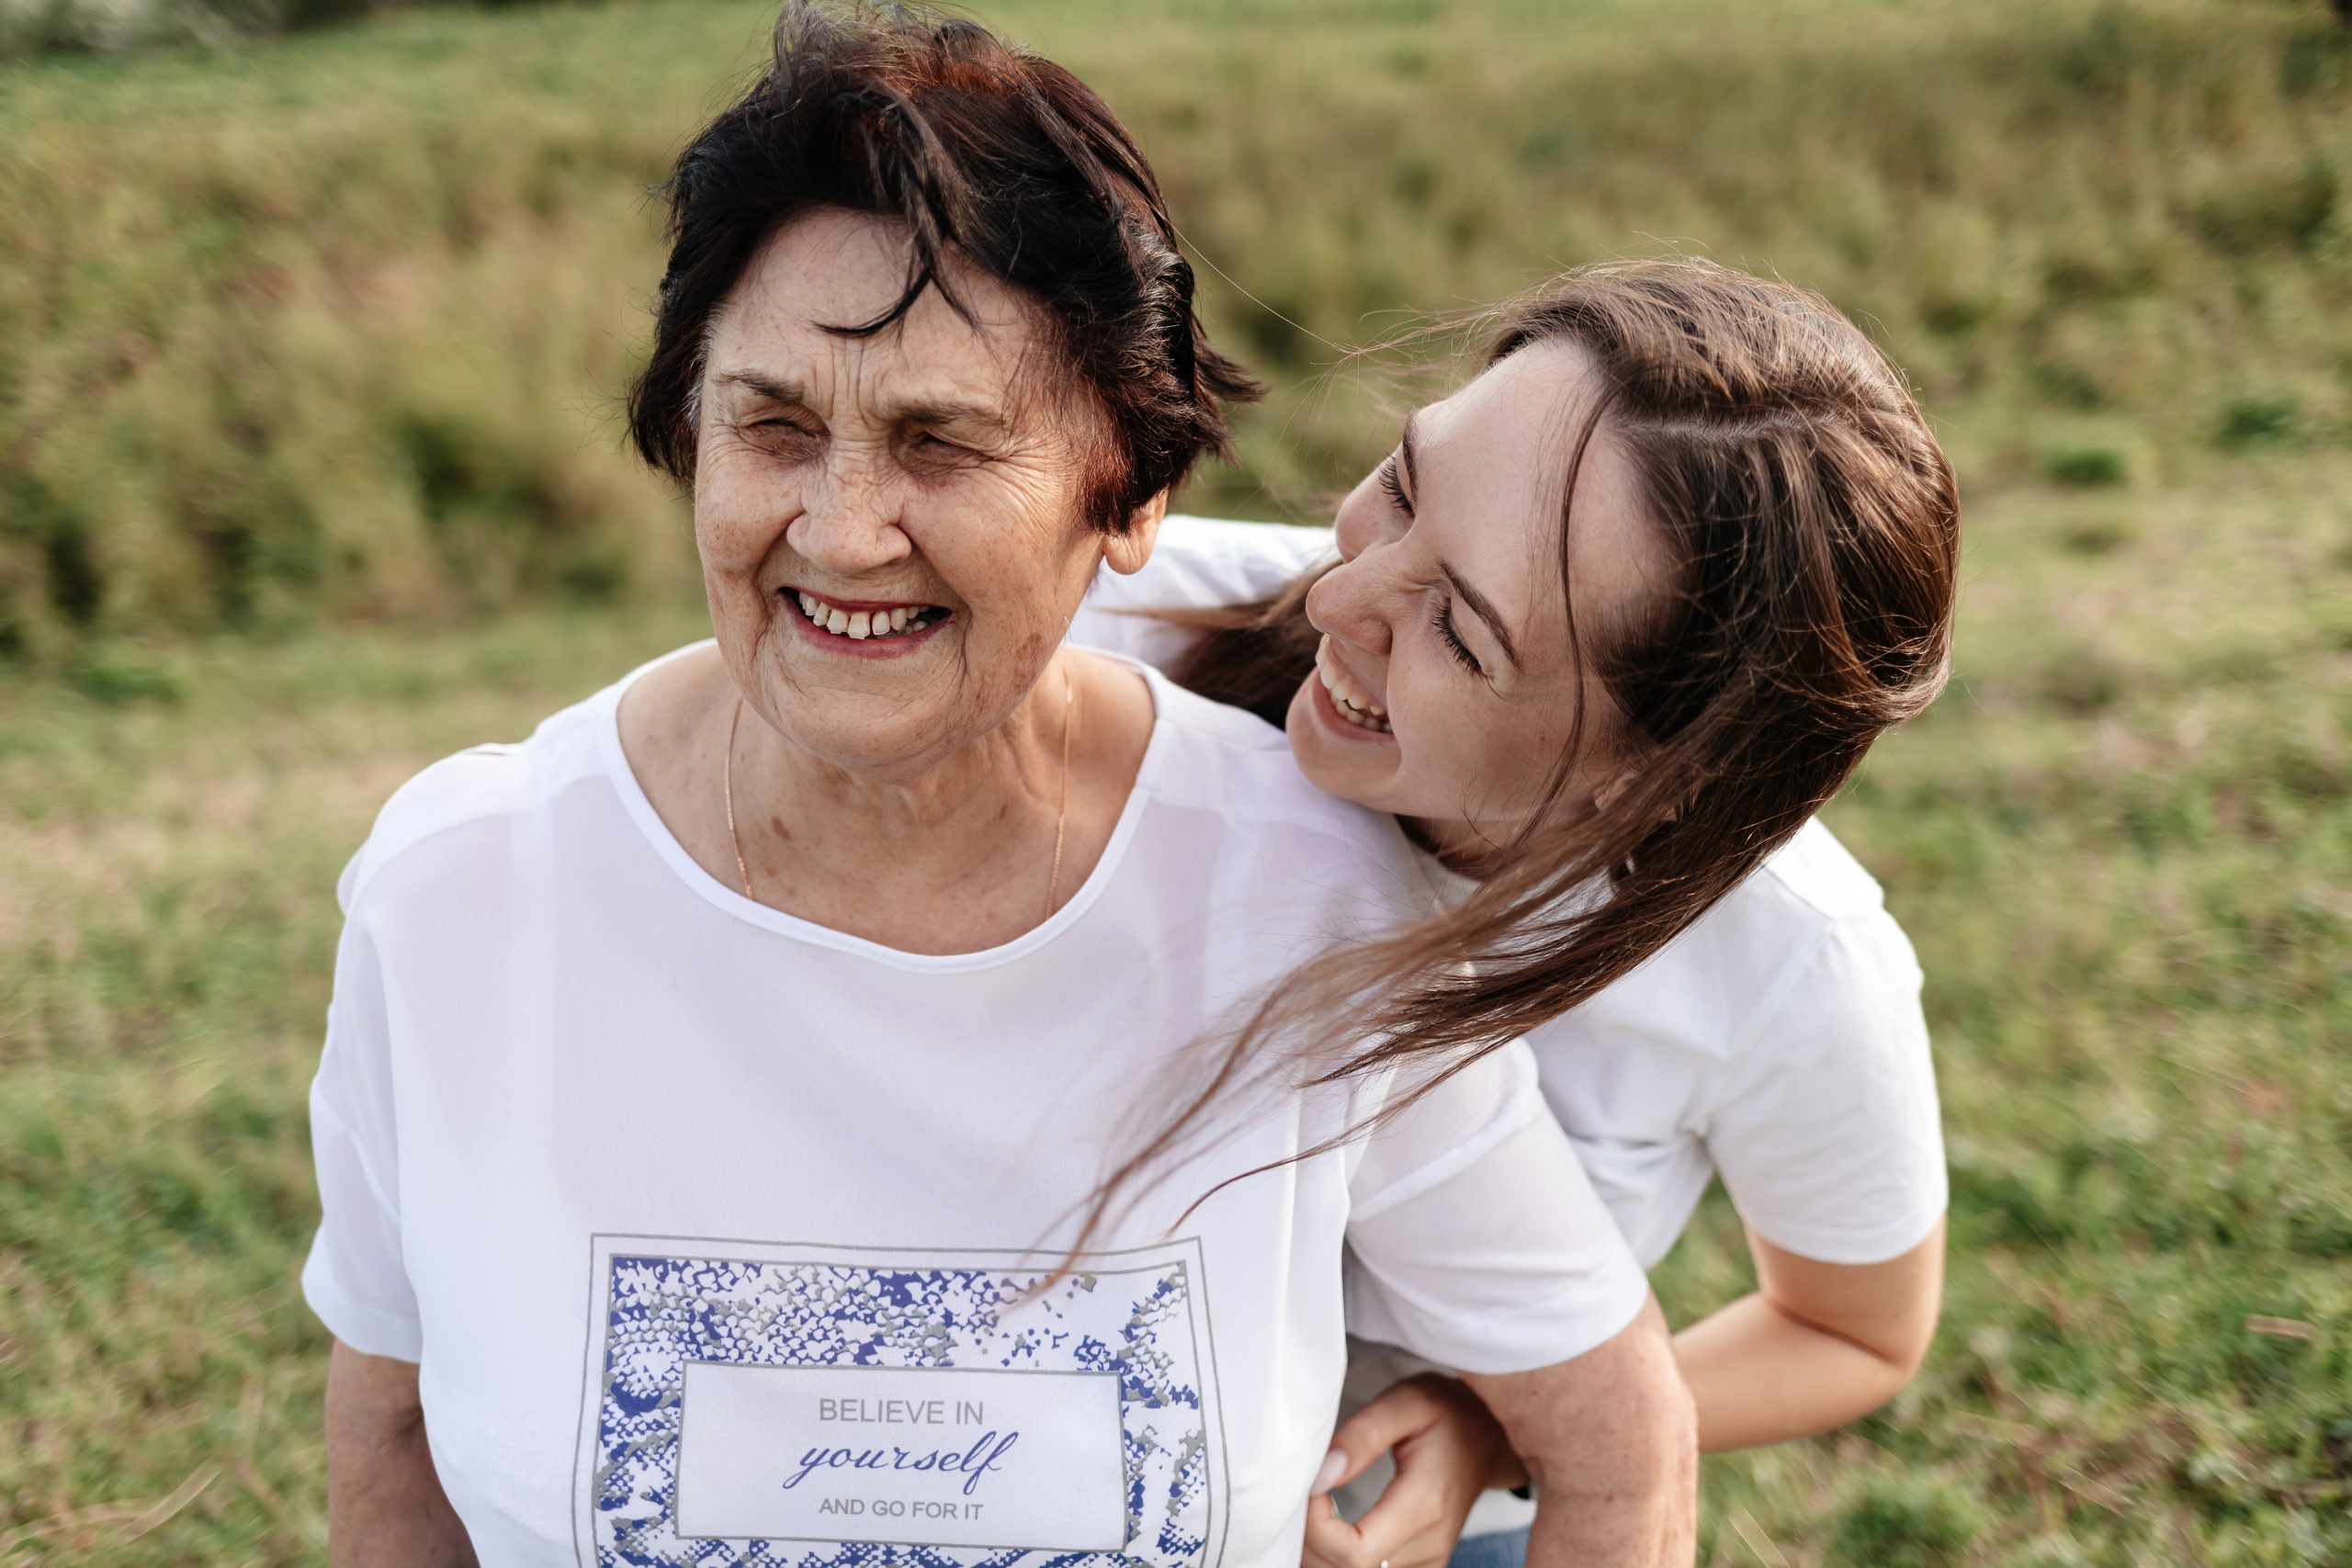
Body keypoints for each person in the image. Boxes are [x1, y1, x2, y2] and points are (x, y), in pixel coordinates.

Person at [300, 11, 1699, 1567]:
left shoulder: (1306, 892)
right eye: (771, 426)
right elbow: (391, 1429)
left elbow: (1620, 1452)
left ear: (1134, 496)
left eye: (939, 445)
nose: (839, 533)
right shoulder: (461, 889)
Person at [1067, 261, 1961, 1568]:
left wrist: (1507, 1425)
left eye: (1465, 634)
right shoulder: (1111, 628)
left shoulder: (1796, 962)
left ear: (1664, 770)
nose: (1335, 600)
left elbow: (1855, 1329)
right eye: (1405, 488)